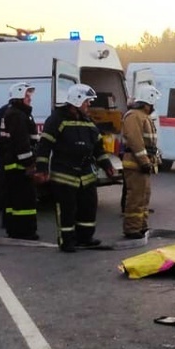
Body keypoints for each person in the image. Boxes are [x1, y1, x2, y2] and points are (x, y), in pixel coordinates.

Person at [34, 84, 115, 252]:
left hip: (86, 174)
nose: (89, 105)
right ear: (76, 101)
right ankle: (67, 241)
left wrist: (106, 165)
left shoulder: (88, 122)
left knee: (88, 206)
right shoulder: (57, 119)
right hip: (65, 173)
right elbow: (45, 145)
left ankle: (85, 238)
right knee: (67, 210)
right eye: (87, 101)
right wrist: (42, 168)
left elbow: (98, 147)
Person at [0, 82, 40, 240]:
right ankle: (26, 232)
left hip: (13, 164)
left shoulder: (14, 113)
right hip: (20, 167)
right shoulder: (18, 115)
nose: (30, 98)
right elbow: (22, 144)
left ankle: (14, 229)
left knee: (14, 202)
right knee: (25, 202)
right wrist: (30, 164)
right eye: (27, 95)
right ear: (19, 96)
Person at [120, 85, 161, 241]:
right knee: (135, 198)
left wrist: (152, 160)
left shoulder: (143, 116)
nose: (153, 107)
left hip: (142, 163)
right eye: (153, 103)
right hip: (135, 164)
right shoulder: (133, 116)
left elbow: (148, 143)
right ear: (148, 101)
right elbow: (136, 141)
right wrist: (144, 161)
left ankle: (141, 226)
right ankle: (132, 229)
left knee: (144, 197)